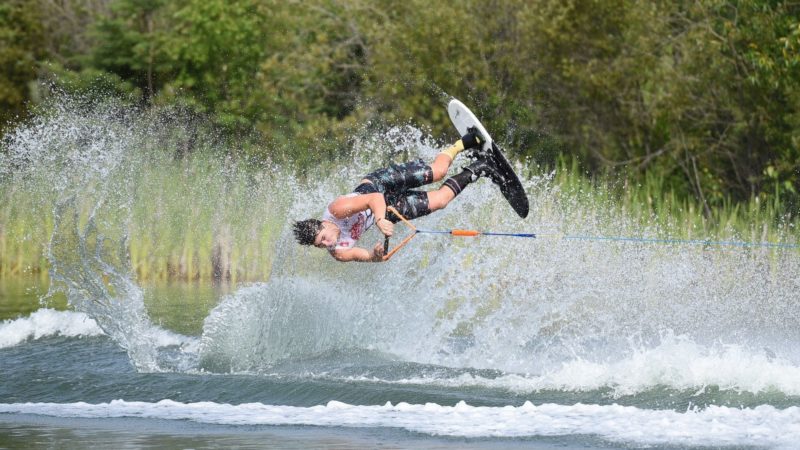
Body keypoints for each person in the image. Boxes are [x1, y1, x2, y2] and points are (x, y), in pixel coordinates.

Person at [293, 131, 501, 262]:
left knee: (438, 172)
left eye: (323, 238)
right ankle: (481, 166)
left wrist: (380, 219)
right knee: (440, 201)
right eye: (321, 246)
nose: (327, 243)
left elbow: (374, 198)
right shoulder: (339, 251)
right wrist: (376, 255)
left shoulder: (336, 210)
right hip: (388, 210)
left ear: (324, 224)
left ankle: (462, 143)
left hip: (380, 185)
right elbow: (371, 258)